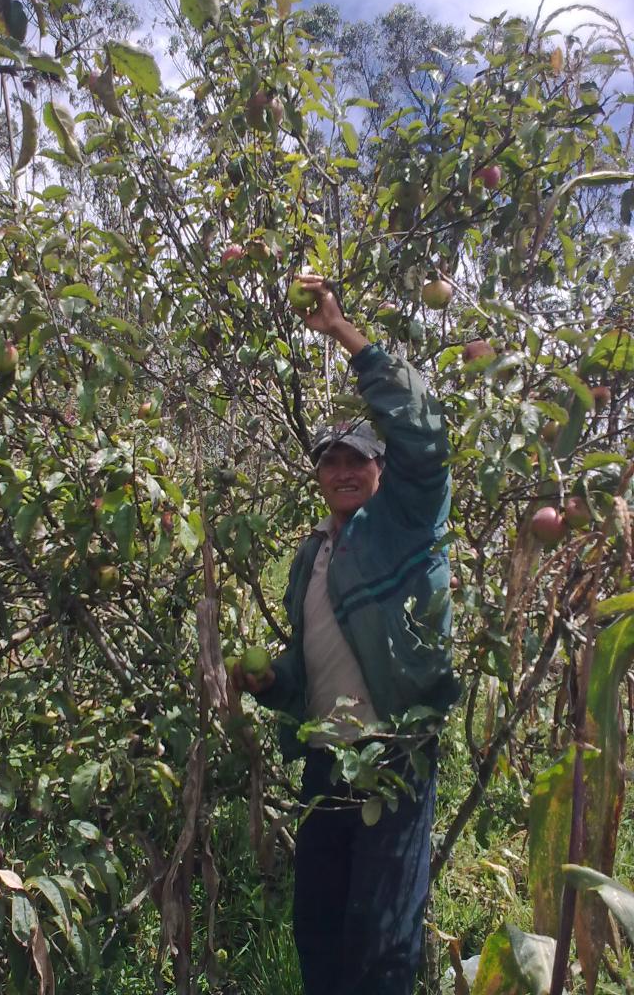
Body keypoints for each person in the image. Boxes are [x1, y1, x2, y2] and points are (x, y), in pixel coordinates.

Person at [232, 275, 460, 995]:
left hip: (393, 756)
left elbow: (424, 433)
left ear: (381, 469)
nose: (342, 470)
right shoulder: (311, 558)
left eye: (357, 458)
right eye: (329, 461)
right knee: (320, 932)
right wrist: (273, 683)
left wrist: (345, 335)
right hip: (327, 769)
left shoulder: (403, 524)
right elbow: (308, 668)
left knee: (382, 946)